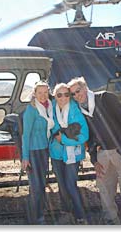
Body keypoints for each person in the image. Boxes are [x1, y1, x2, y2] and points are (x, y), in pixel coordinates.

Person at [67, 76, 121, 225]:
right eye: (73, 94)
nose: (77, 95)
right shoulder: (81, 111)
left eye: (78, 90)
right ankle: (111, 220)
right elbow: (89, 137)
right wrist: (94, 159)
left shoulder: (105, 98)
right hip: (102, 154)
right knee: (105, 188)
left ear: (85, 87)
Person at [49, 83, 89, 225]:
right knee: (61, 185)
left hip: (72, 155)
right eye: (59, 95)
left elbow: (84, 135)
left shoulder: (74, 110)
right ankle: (66, 212)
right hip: (56, 154)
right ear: (55, 96)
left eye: (67, 94)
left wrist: (64, 140)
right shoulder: (51, 109)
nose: (63, 98)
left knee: (70, 184)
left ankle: (80, 216)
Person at [21, 80, 55, 225]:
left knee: (41, 184)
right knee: (36, 186)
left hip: (44, 150)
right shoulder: (32, 109)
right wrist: (25, 157)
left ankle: (38, 214)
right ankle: (37, 219)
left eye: (45, 92)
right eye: (39, 93)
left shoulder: (49, 107)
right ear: (34, 94)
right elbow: (26, 134)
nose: (42, 95)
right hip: (34, 152)